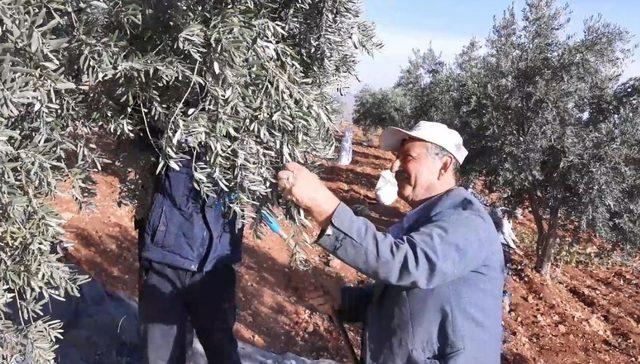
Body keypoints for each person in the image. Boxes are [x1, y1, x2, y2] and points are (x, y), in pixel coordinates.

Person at [278, 121, 505, 363]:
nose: (394, 165)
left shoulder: (467, 222)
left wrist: (322, 203)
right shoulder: (426, 220)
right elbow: (403, 297)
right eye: (396, 156)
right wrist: (343, 300)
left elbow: (405, 263)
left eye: (408, 156)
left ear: (444, 165)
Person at [139, 158, 243, 364]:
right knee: (160, 355)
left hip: (215, 264)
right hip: (165, 258)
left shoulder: (243, 145)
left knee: (222, 351)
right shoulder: (173, 134)